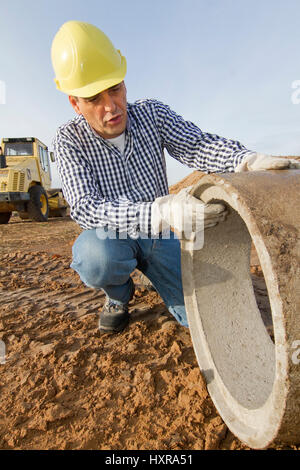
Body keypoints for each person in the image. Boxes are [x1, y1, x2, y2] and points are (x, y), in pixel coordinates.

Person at [51, 21, 299, 333]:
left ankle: (163, 276)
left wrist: (243, 160)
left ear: (125, 82)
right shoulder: (68, 140)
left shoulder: (151, 114)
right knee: (94, 257)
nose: (111, 106)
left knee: (203, 315)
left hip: (161, 236)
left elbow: (196, 145)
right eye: (93, 99)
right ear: (75, 103)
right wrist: (162, 211)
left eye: (115, 89)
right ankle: (118, 295)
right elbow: (86, 207)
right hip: (113, 237)